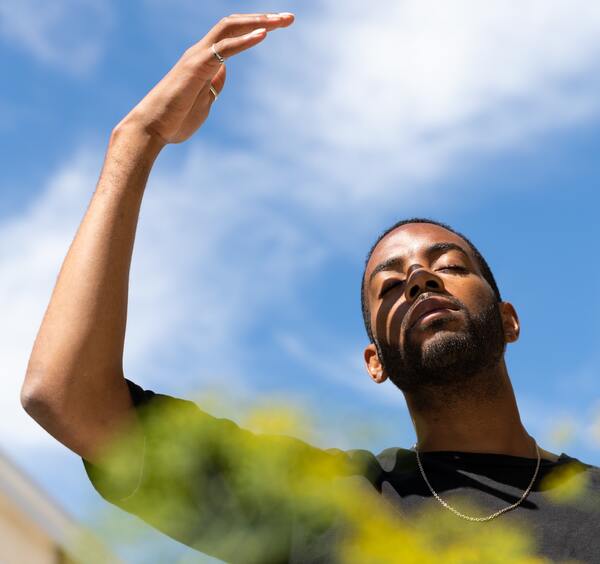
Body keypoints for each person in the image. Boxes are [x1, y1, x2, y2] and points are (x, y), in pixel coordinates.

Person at [20, 12, 600, 564]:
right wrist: (135, 140)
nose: (418, 279)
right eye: (390, 287)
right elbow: (66, 395)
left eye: (448, 265)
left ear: (508, 320)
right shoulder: (329, 504)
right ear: (375, 361)